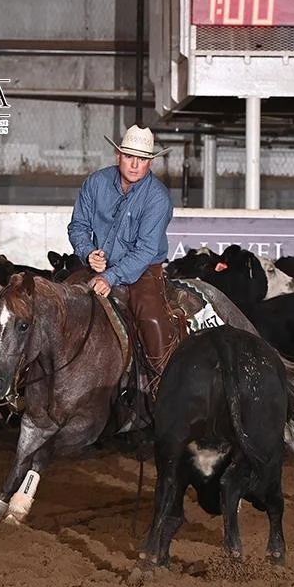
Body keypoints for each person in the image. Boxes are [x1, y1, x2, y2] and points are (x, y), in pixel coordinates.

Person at [67, 124, 179, 397]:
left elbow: (144, 250)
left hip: (142, 270)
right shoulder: (95, 183)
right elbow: (78, 226)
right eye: (129, 156)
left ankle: (163, 387)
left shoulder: (158, 198)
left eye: (141, 159)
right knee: (61, 301)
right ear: (118, 155)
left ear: (150, 163)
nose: (134, 164)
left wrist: (110, 277)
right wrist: (88, 252)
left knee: (150, 317)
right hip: (97, 263)